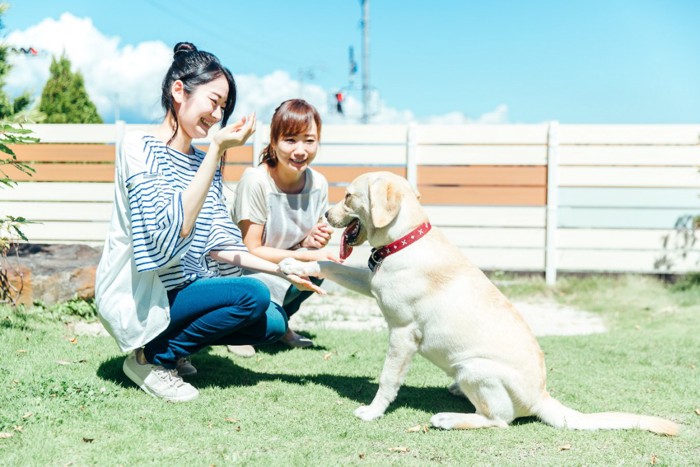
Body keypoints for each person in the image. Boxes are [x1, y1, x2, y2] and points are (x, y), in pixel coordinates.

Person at [94, 43, 322, 402]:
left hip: (186, 289)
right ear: (179, 90)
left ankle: (173, 346)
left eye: (223, 108)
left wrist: (284, 270)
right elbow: (168, 238)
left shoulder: (204, 162)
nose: (217, 115)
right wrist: (216, 151)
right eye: (213, 102)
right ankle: (151, 359)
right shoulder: (138, 147)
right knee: (253, 295)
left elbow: (221, 246)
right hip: (147, 293)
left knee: (274, 321)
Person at [227, 99, 336, 357]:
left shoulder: (318, 183)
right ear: (273, 142)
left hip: (284, 267)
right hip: (246, 273)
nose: (301, 150)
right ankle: (237, 329)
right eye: (290, 140)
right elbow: (250, 249)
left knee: (321, 267)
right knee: (271, 326)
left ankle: (282, 321)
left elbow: (299, 246)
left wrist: (309, 244)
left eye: (309, 141)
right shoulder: (256, 181)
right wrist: (305, 254)